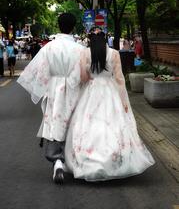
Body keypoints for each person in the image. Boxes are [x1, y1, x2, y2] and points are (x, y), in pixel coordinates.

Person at [65, 30, 155, 181]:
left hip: (91, 91)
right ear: (105, 39)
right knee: (112, 124)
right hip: (110, 91)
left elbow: (83, 77)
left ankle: (89, 159)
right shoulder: (114, 53)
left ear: (91, 40)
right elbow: (119, 79)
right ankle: (115, 160)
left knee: (89, 125)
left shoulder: (85, 53)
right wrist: (124, 101)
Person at [17, 13, 87, 184]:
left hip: (54, 88)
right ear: (73, 27)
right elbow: (86, 74)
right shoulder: (81, 49)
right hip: (74, 87)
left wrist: (45, 86)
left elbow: (40, 72)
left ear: (58, 25)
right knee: (74, 123)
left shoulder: (49, 47)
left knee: (55, 122)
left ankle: (57, 160)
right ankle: (75, 159)